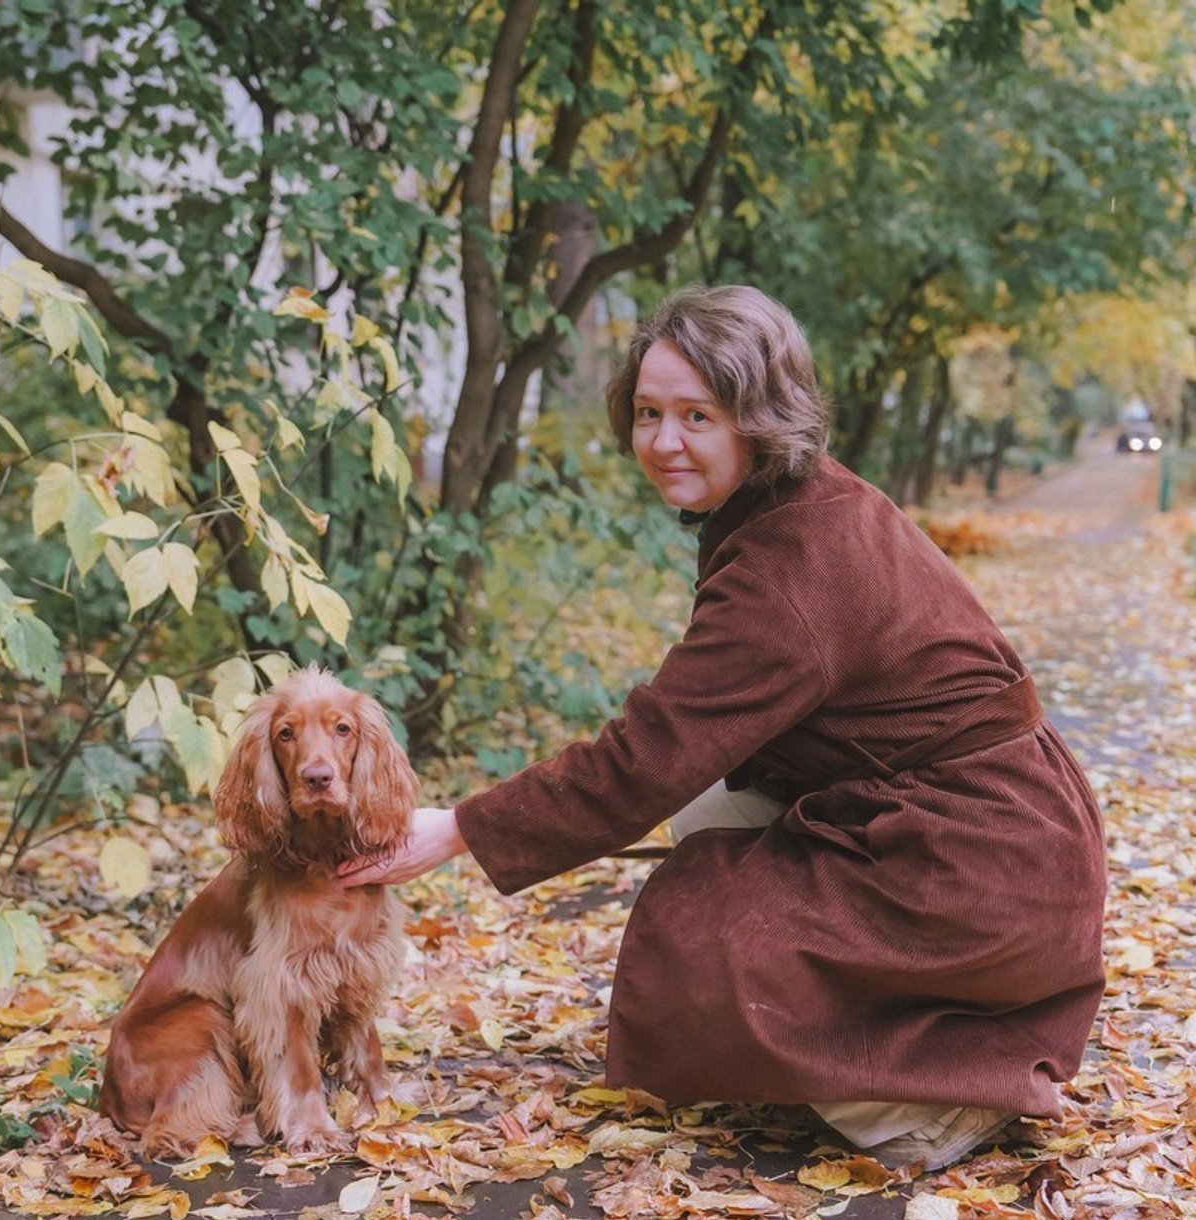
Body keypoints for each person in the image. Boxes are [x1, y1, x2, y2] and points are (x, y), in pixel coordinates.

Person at [336, 285, 1106, 1170]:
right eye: (650, 413)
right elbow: (689, 740)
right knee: (709, 808)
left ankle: (930, 1105)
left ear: (759, 417)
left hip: (983, 859)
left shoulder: (792, 560)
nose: (665, 441)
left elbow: (643, 758)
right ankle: (922, 1052)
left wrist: (458, 829)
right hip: (998, 833)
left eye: (698, 414)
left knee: (705, 931)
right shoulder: (796, 502)